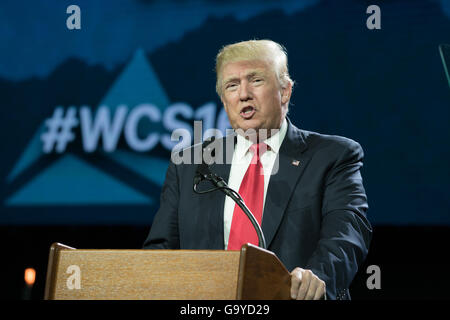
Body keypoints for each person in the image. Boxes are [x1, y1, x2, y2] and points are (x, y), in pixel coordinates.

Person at [143, 39, 372, 300]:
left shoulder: (332, 157)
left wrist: (316, 276)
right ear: (224, 100)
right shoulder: (191, 163)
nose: (243, 94)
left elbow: (346, 236)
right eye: (232, 85)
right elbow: (161, 250)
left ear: (285, 90)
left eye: (256, 80)